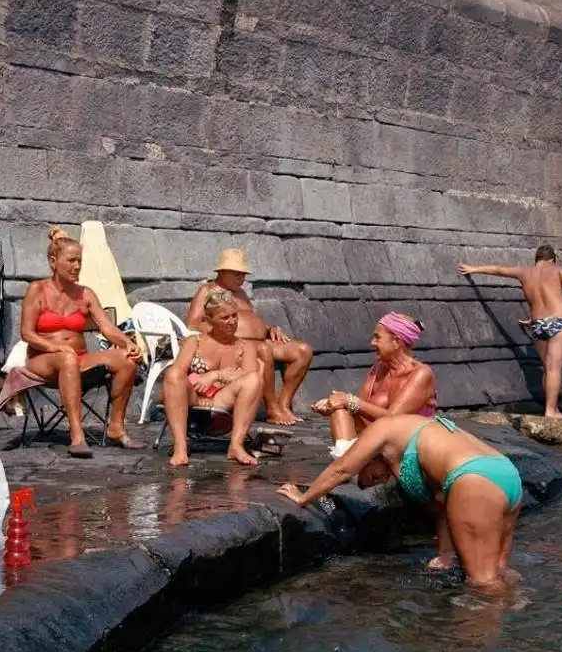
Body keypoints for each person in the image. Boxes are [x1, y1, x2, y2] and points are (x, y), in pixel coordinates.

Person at [278, 415, 522, 587]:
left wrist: (304, 498)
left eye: (371, 477)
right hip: (504, 472)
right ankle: (515, 611)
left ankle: (482, 644)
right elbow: (442, 509)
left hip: (474, 480)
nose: (382, 480)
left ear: (365, 458)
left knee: (483, 584)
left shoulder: (381, 429)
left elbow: (341, 469)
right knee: (500, 571)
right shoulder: (407, 436)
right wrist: (445, 554)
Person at [18, 228, 143, 458]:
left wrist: (128, 343)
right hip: (42, 359)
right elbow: (26, 333)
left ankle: (116, 427)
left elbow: (107, 328)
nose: (77, 266)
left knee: (126, 359)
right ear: (53, 262)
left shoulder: (86, 294)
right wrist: (55, 347)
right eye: (71, 260)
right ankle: (77, 435)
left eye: (80, 261)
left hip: (78, 358)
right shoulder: (37, 290)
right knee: (67, 358)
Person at [186, 250, 313, 426]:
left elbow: (252, 319)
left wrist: (269, 328)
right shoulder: (207, 290)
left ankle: (283, 405)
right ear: (222, 272)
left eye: (243, 274)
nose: (242, 278)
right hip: (236, 343)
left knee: (303, 351)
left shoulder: (241, 293)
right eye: (237, 274)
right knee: (264, 350)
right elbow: (192, 324)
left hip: (261, 339)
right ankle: (272, 410)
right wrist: (228, 333)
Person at [458, 245, 562, 419]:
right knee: (554, 369)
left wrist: (474, 268)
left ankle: (550, 408)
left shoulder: (524, 272)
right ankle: (551, 410)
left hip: (537, 324)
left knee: (547, 368)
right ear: (552, 259)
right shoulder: (556, 270)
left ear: (537, 259)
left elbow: (499, 270)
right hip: (556, 321)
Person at [163, 290, 264, 468]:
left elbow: (249, 374)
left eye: (234, 315)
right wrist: (202, 381)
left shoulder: (245, 346)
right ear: (209, 319)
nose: (232, 321)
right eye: (225, 317)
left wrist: (214, 375)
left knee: (254, 379)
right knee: (173, 374)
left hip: (223, 399)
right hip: (193, 397)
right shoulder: (194, 342)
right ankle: (180, 447)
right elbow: (178, 372)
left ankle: (236, 446)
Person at [312, 313, 437, 457]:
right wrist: (332, 404)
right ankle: (348, 461)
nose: (372, 343)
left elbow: (394, 420)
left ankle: (347, 463)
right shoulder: (377, 369)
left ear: (396, 342)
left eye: (377, 338)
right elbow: (358, 410)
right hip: (375, 442)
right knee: (340, 410)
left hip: (404, 450)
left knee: (346, 404)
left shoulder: (421, 374)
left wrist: (349, 400)